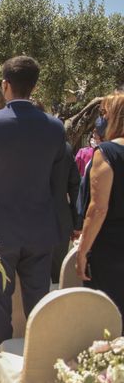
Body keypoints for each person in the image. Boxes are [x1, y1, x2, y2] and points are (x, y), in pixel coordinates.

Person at [0, 56, 66, 383]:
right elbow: (57, 187)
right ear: (35, 86)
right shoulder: (56, 128)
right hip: (41, 231)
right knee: (39, 306)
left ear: (6, 84)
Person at [77, 90, 124, 322]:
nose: (101, 118)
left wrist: (82, 251)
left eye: (104, 112)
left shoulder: (107, 153)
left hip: (111, 248)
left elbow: (98, 208)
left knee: (108, 317)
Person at [50, 139, 81, 283]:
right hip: (60, 219)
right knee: (58, 276)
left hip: (27, 221)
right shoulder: (65, 148)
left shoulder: (22, 146)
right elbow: (75, 186)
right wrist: (77, 223)